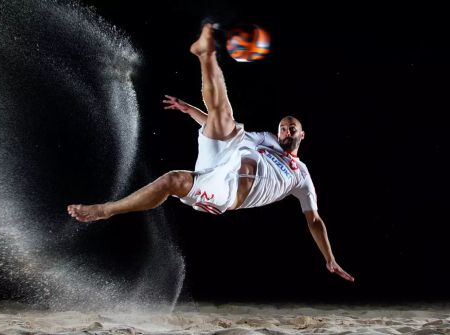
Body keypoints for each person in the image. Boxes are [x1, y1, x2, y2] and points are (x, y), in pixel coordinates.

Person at [67, 23, 354, 282]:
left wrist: (329, 258)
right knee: (225, 117)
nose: (286, 132)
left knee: (172, 180)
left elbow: (314, 221)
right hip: (227, 156)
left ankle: (106, 210)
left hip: (227, 189)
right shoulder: (267, 140)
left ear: (302, 135)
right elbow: (221, 128)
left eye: (291, 129)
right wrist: (191, 110)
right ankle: (206, 53)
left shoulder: (301, 175)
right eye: (283, 128)